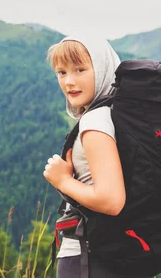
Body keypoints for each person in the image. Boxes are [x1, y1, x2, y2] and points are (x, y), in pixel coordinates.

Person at [43, 35, 128, 277]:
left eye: (80, 69)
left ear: (101, 69)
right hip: (115, 253)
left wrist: (63, 181)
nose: (69, 81)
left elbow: (111, 200)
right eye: (61, 72)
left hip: (87, 256)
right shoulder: (115, 114)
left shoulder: (94, 121)